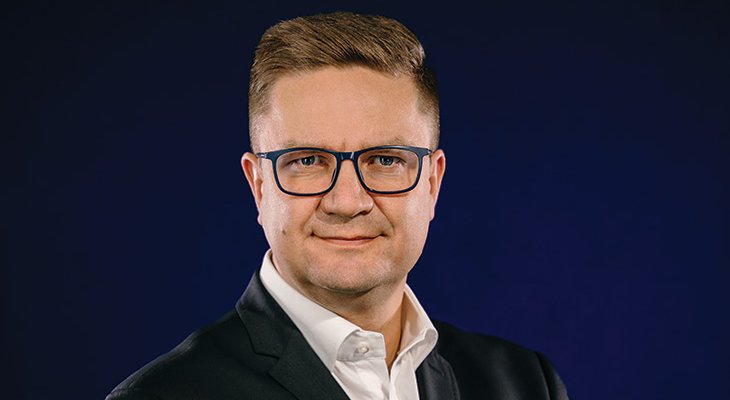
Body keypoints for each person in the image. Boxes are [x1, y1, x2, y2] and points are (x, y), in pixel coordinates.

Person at [106, 11, 568, 400]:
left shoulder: (526, 384)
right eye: (307, 160)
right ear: (258, 185)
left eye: (385, 160)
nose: (347, 202)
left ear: (432, 183)